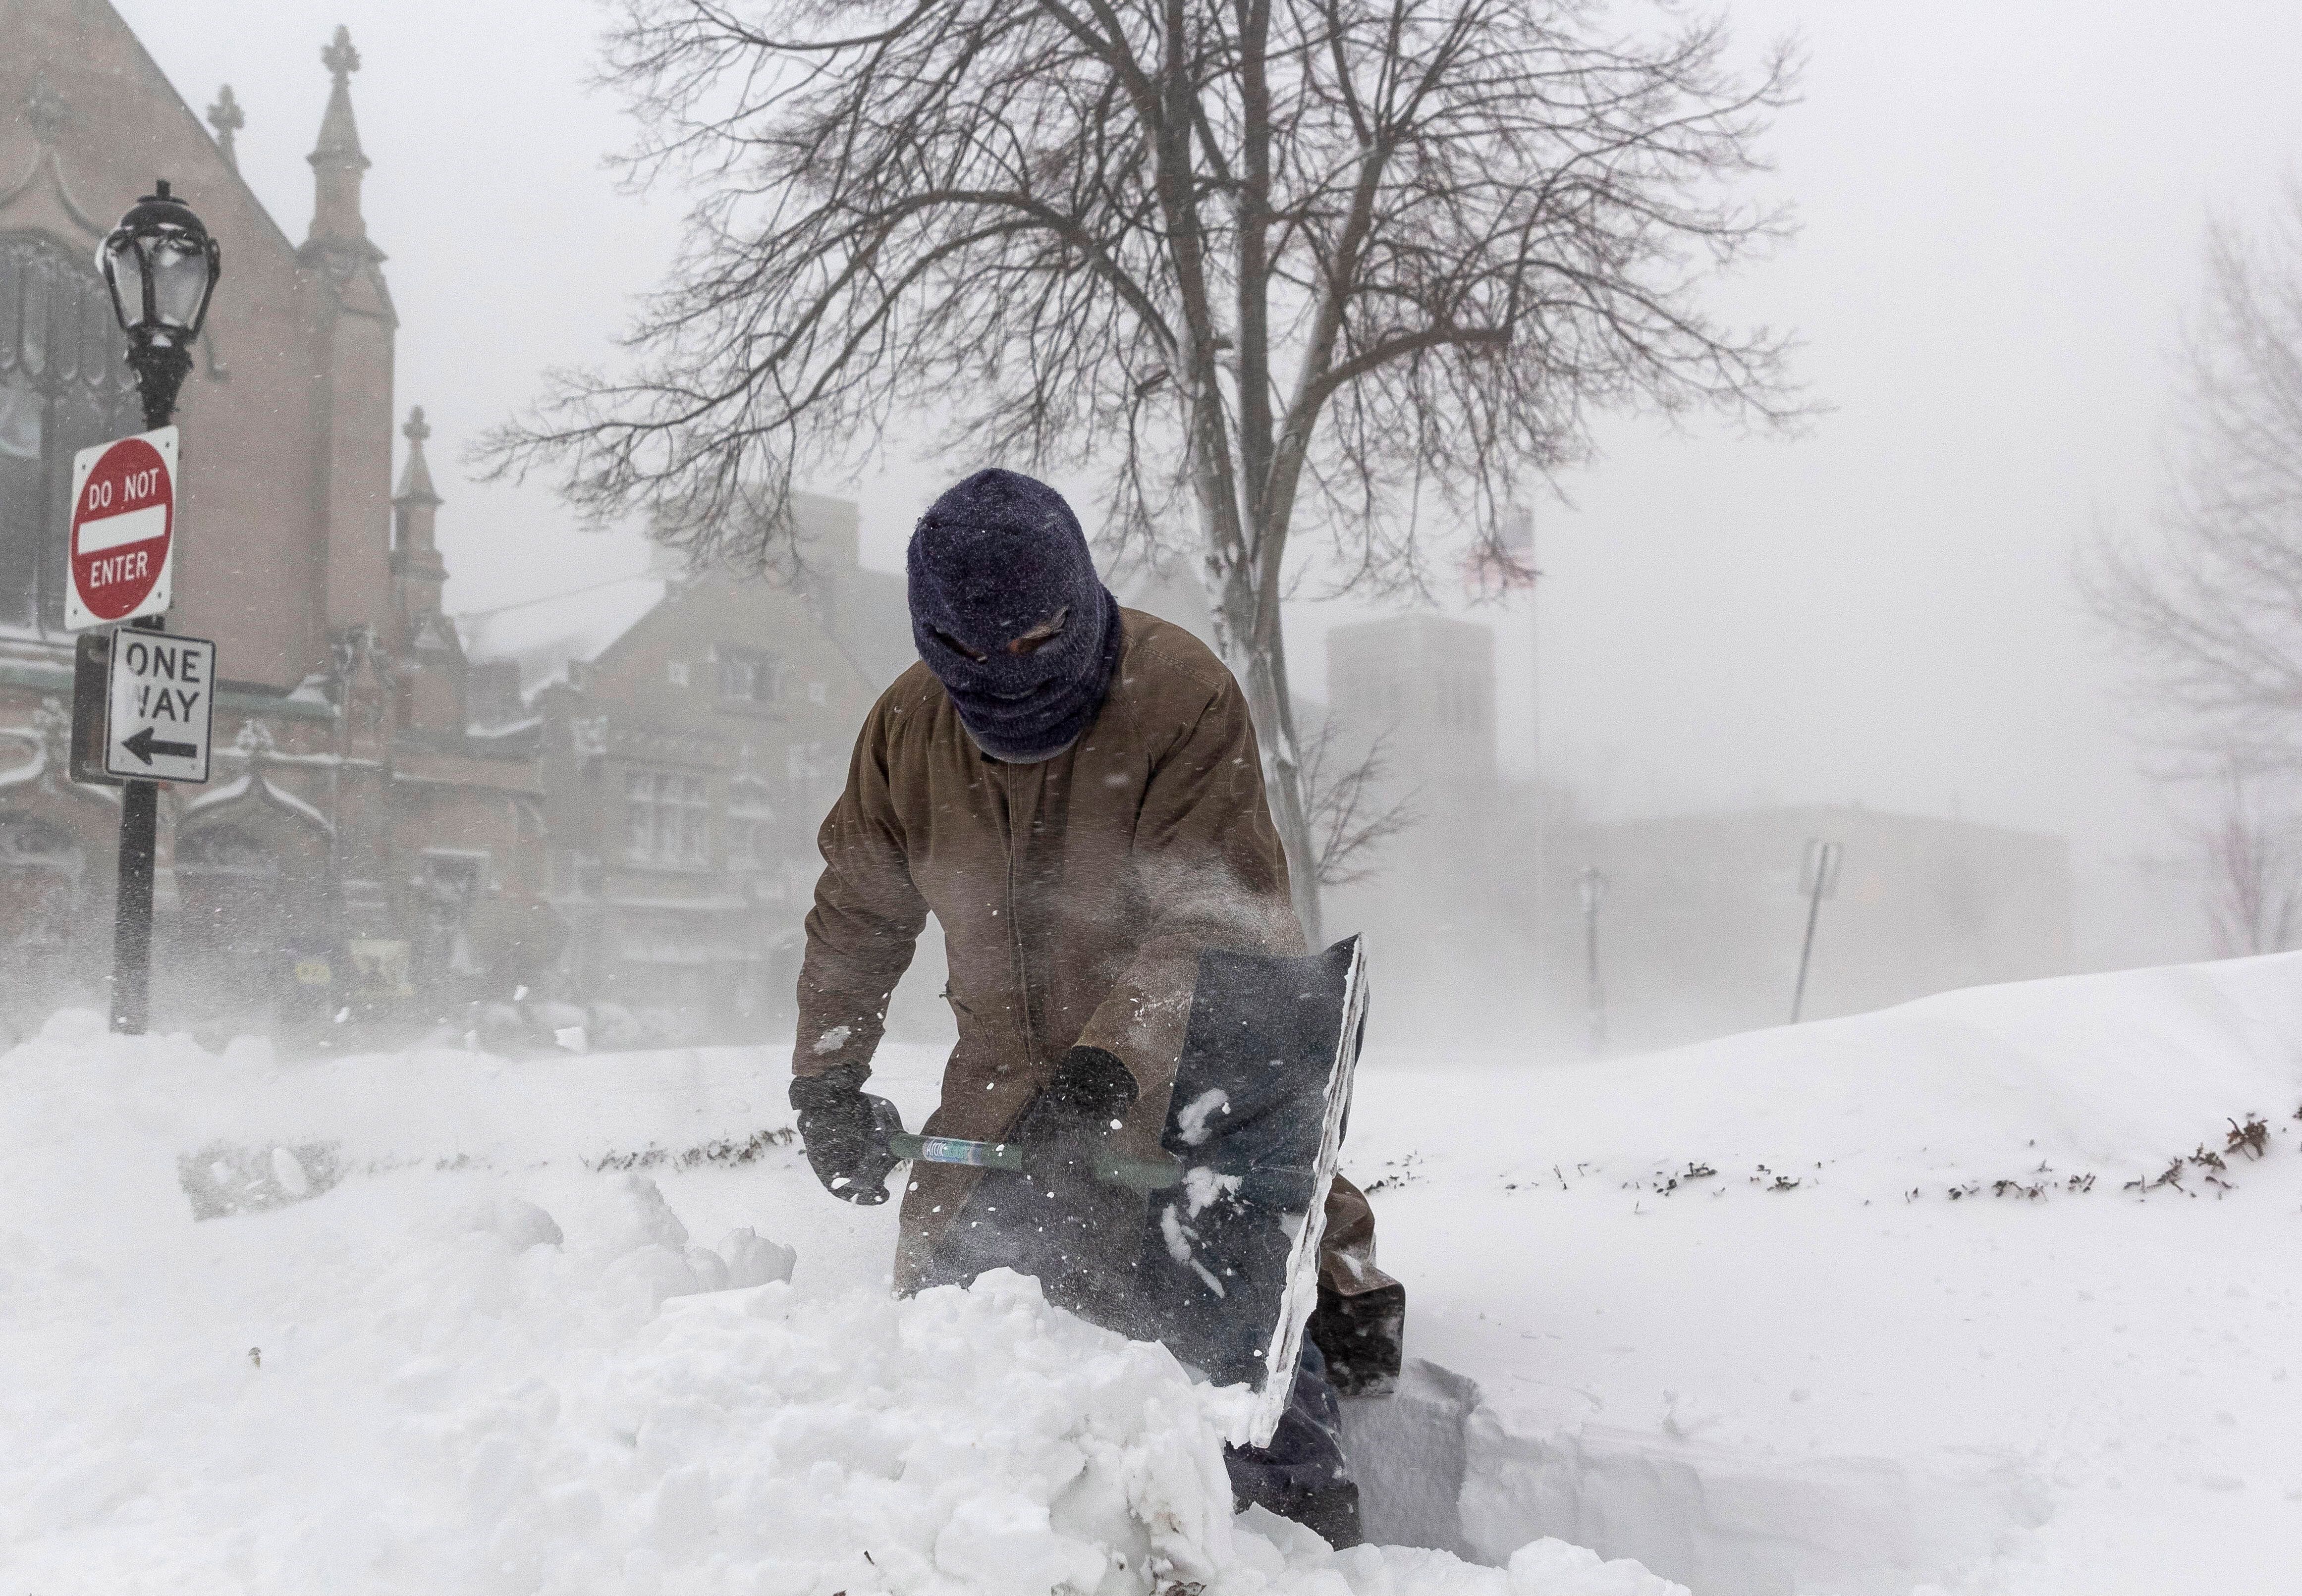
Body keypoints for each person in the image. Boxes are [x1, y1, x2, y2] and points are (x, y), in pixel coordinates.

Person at [787, 469, 1400, 1546]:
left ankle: (1298, 1531)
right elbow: (858, 914)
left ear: (1077, 597)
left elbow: (1222, 922)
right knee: (966, 1343)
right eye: (977, 655)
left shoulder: (1181, 698)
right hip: (999, 1095)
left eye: (1033, 642)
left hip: (1182, 1076)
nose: (1008, 674)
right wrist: (827, 1078)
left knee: (1231, 1337)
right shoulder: (904, 731)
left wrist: (1110, 1067)